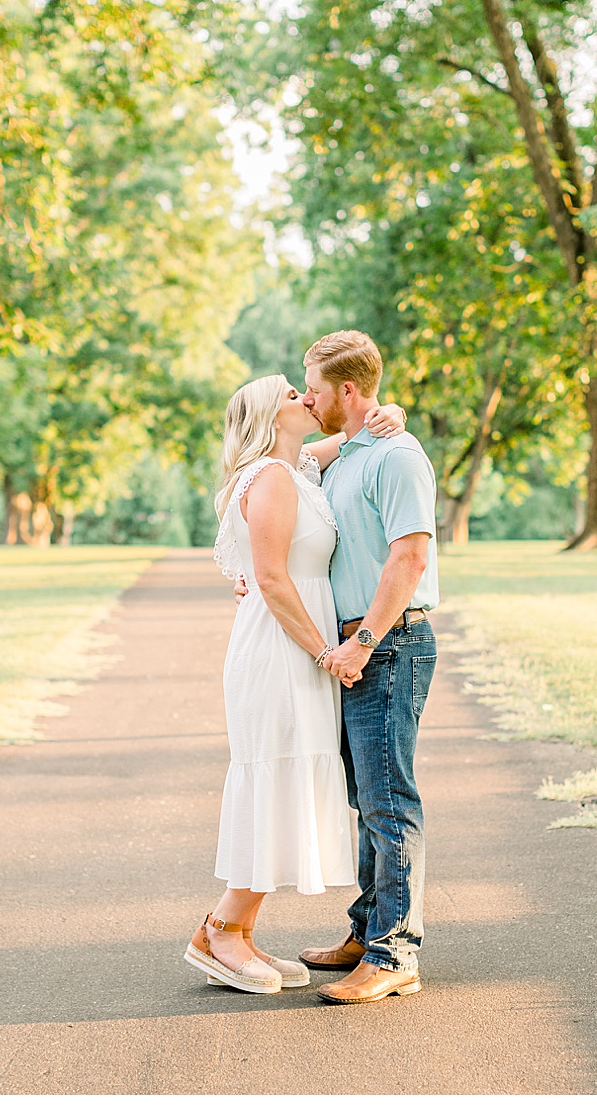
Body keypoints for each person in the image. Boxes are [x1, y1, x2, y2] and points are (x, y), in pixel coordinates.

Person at [187, 375, 406, 994]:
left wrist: (389, 409)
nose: (306, 399)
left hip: (298, 649)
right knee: (277, 781)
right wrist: (329, 654)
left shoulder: (298, 465)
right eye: (292, 394)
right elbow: (273, 580)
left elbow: (359, 430)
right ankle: (221, 930)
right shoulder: (275, 477)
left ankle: (240, 931)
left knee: (290, 784)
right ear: (270, 415)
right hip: (284, 650)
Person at [297, 330, 439, 1006]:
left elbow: (408, 558)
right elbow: (294, 456)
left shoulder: (398, 457)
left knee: (389, 802)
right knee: (366, 802)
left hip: (390, 644)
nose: (306, 397)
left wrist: (364, 640)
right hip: (360, 645)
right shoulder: (351, 453)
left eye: (315, 388)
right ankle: (366, 930)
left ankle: (395, 953)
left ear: (348, 390)